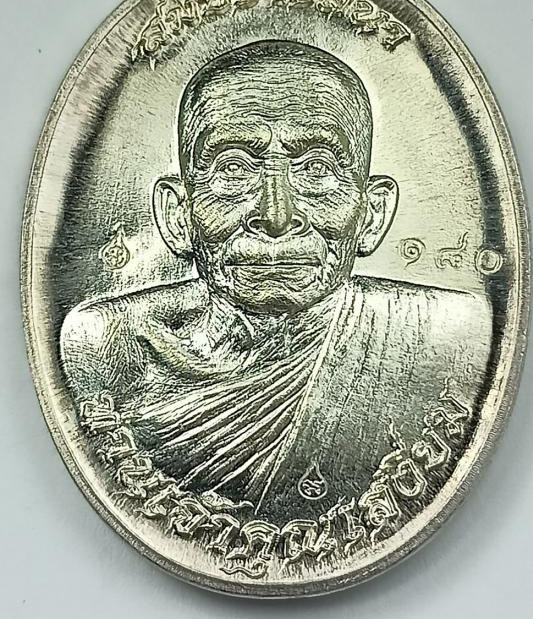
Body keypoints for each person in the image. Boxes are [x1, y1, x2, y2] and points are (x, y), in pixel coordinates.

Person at [61, 40, 491, 519]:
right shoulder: (107, 344)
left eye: (316, 169)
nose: (276, 214)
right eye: (233, 169)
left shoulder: (450, 338)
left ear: (372, 214)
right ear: (177, 214)